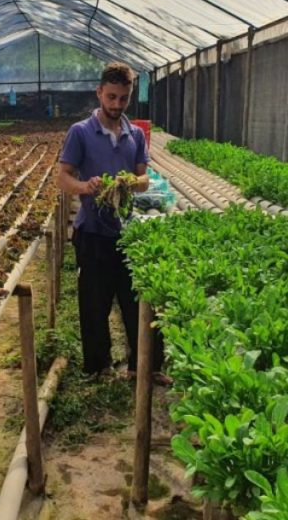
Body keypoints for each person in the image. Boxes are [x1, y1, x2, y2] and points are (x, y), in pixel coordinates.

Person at [57, 62, 167, 383]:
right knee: (94, 304)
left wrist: (132, 182)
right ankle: (98, 367)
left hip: (128, 234)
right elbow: (62, 177)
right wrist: (84, 187)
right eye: (111, 97)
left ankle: (145, 367)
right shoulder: (80, 132)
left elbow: (145, 178)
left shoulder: (135, 135)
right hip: (91, 233)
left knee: (138, 302)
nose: (117, 105)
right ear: (99, 93)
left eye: (123, 98)